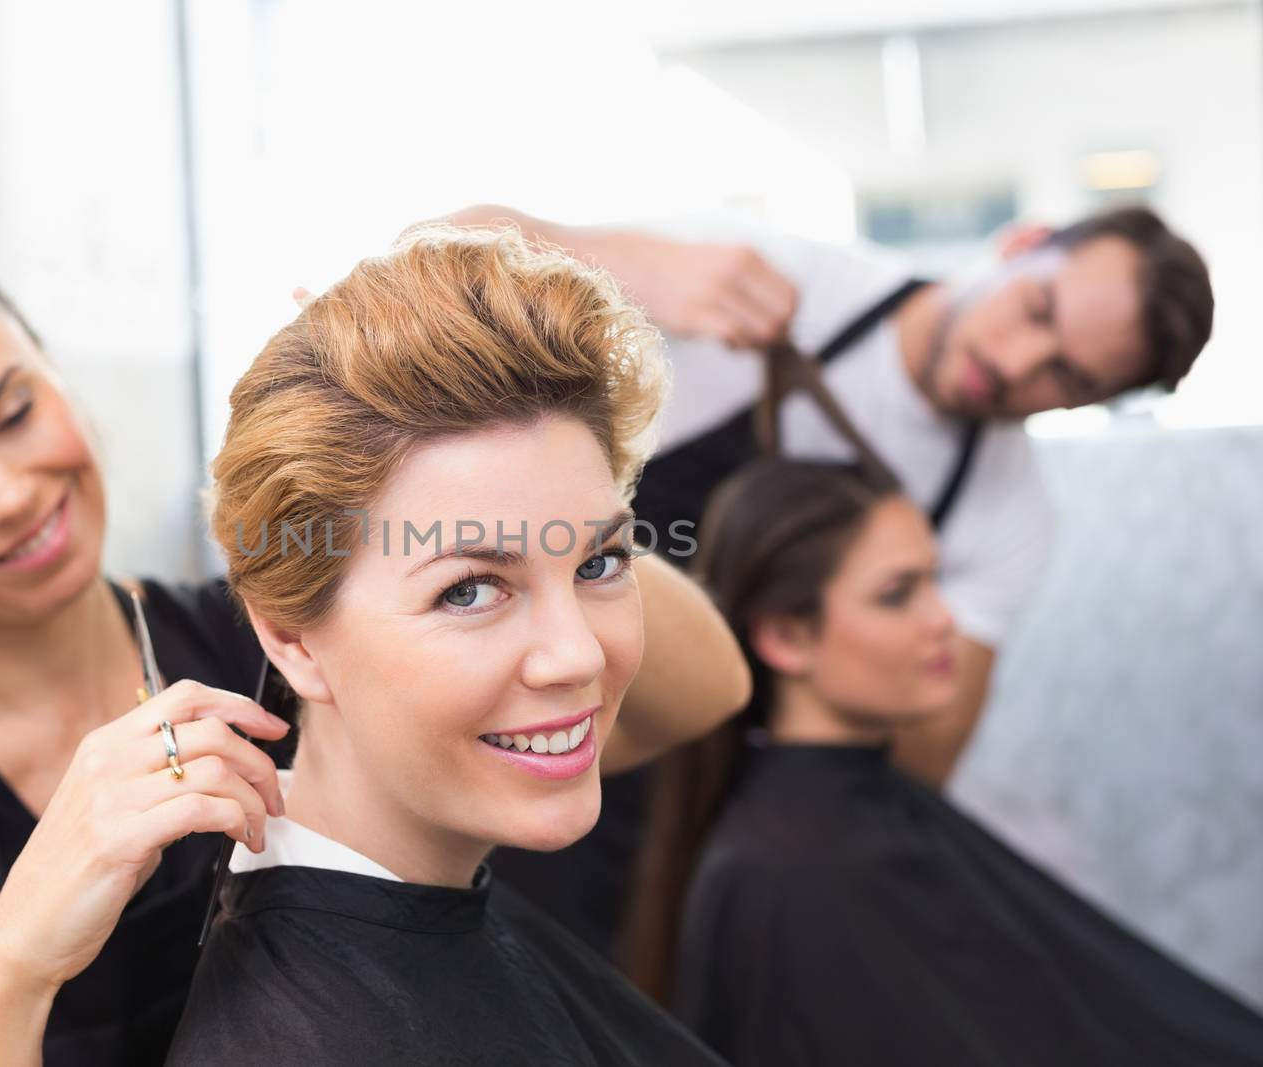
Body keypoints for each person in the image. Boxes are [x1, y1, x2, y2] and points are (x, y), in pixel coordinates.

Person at [0, 182, 746, 1066]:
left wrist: (438, 425)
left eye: (14, 410)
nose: (6, 491)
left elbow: (702, 688)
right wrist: (14, 956)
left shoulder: (253, 637)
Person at [447, 200, 1215, 960]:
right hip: (505, 689)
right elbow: (445, 250)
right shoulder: (771, 280)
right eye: (1037, 309)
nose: (1016, 364)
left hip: (689, 800)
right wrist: (632, 262)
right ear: (1022, 242)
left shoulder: (1004, 514)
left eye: (1065, 376)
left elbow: (914, 752)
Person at [161, 226, 747, 1066]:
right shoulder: (297, 1039)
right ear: (293, 639)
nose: (575, 654)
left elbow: (715, 683)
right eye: (469, 588)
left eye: (600, 560)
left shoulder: (437, 886)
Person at [626, 458, 1263, 1066]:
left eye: (937, 580)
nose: (943, 619)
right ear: (787, 637)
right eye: (898, 594)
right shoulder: (788, 874)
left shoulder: (848, 825)